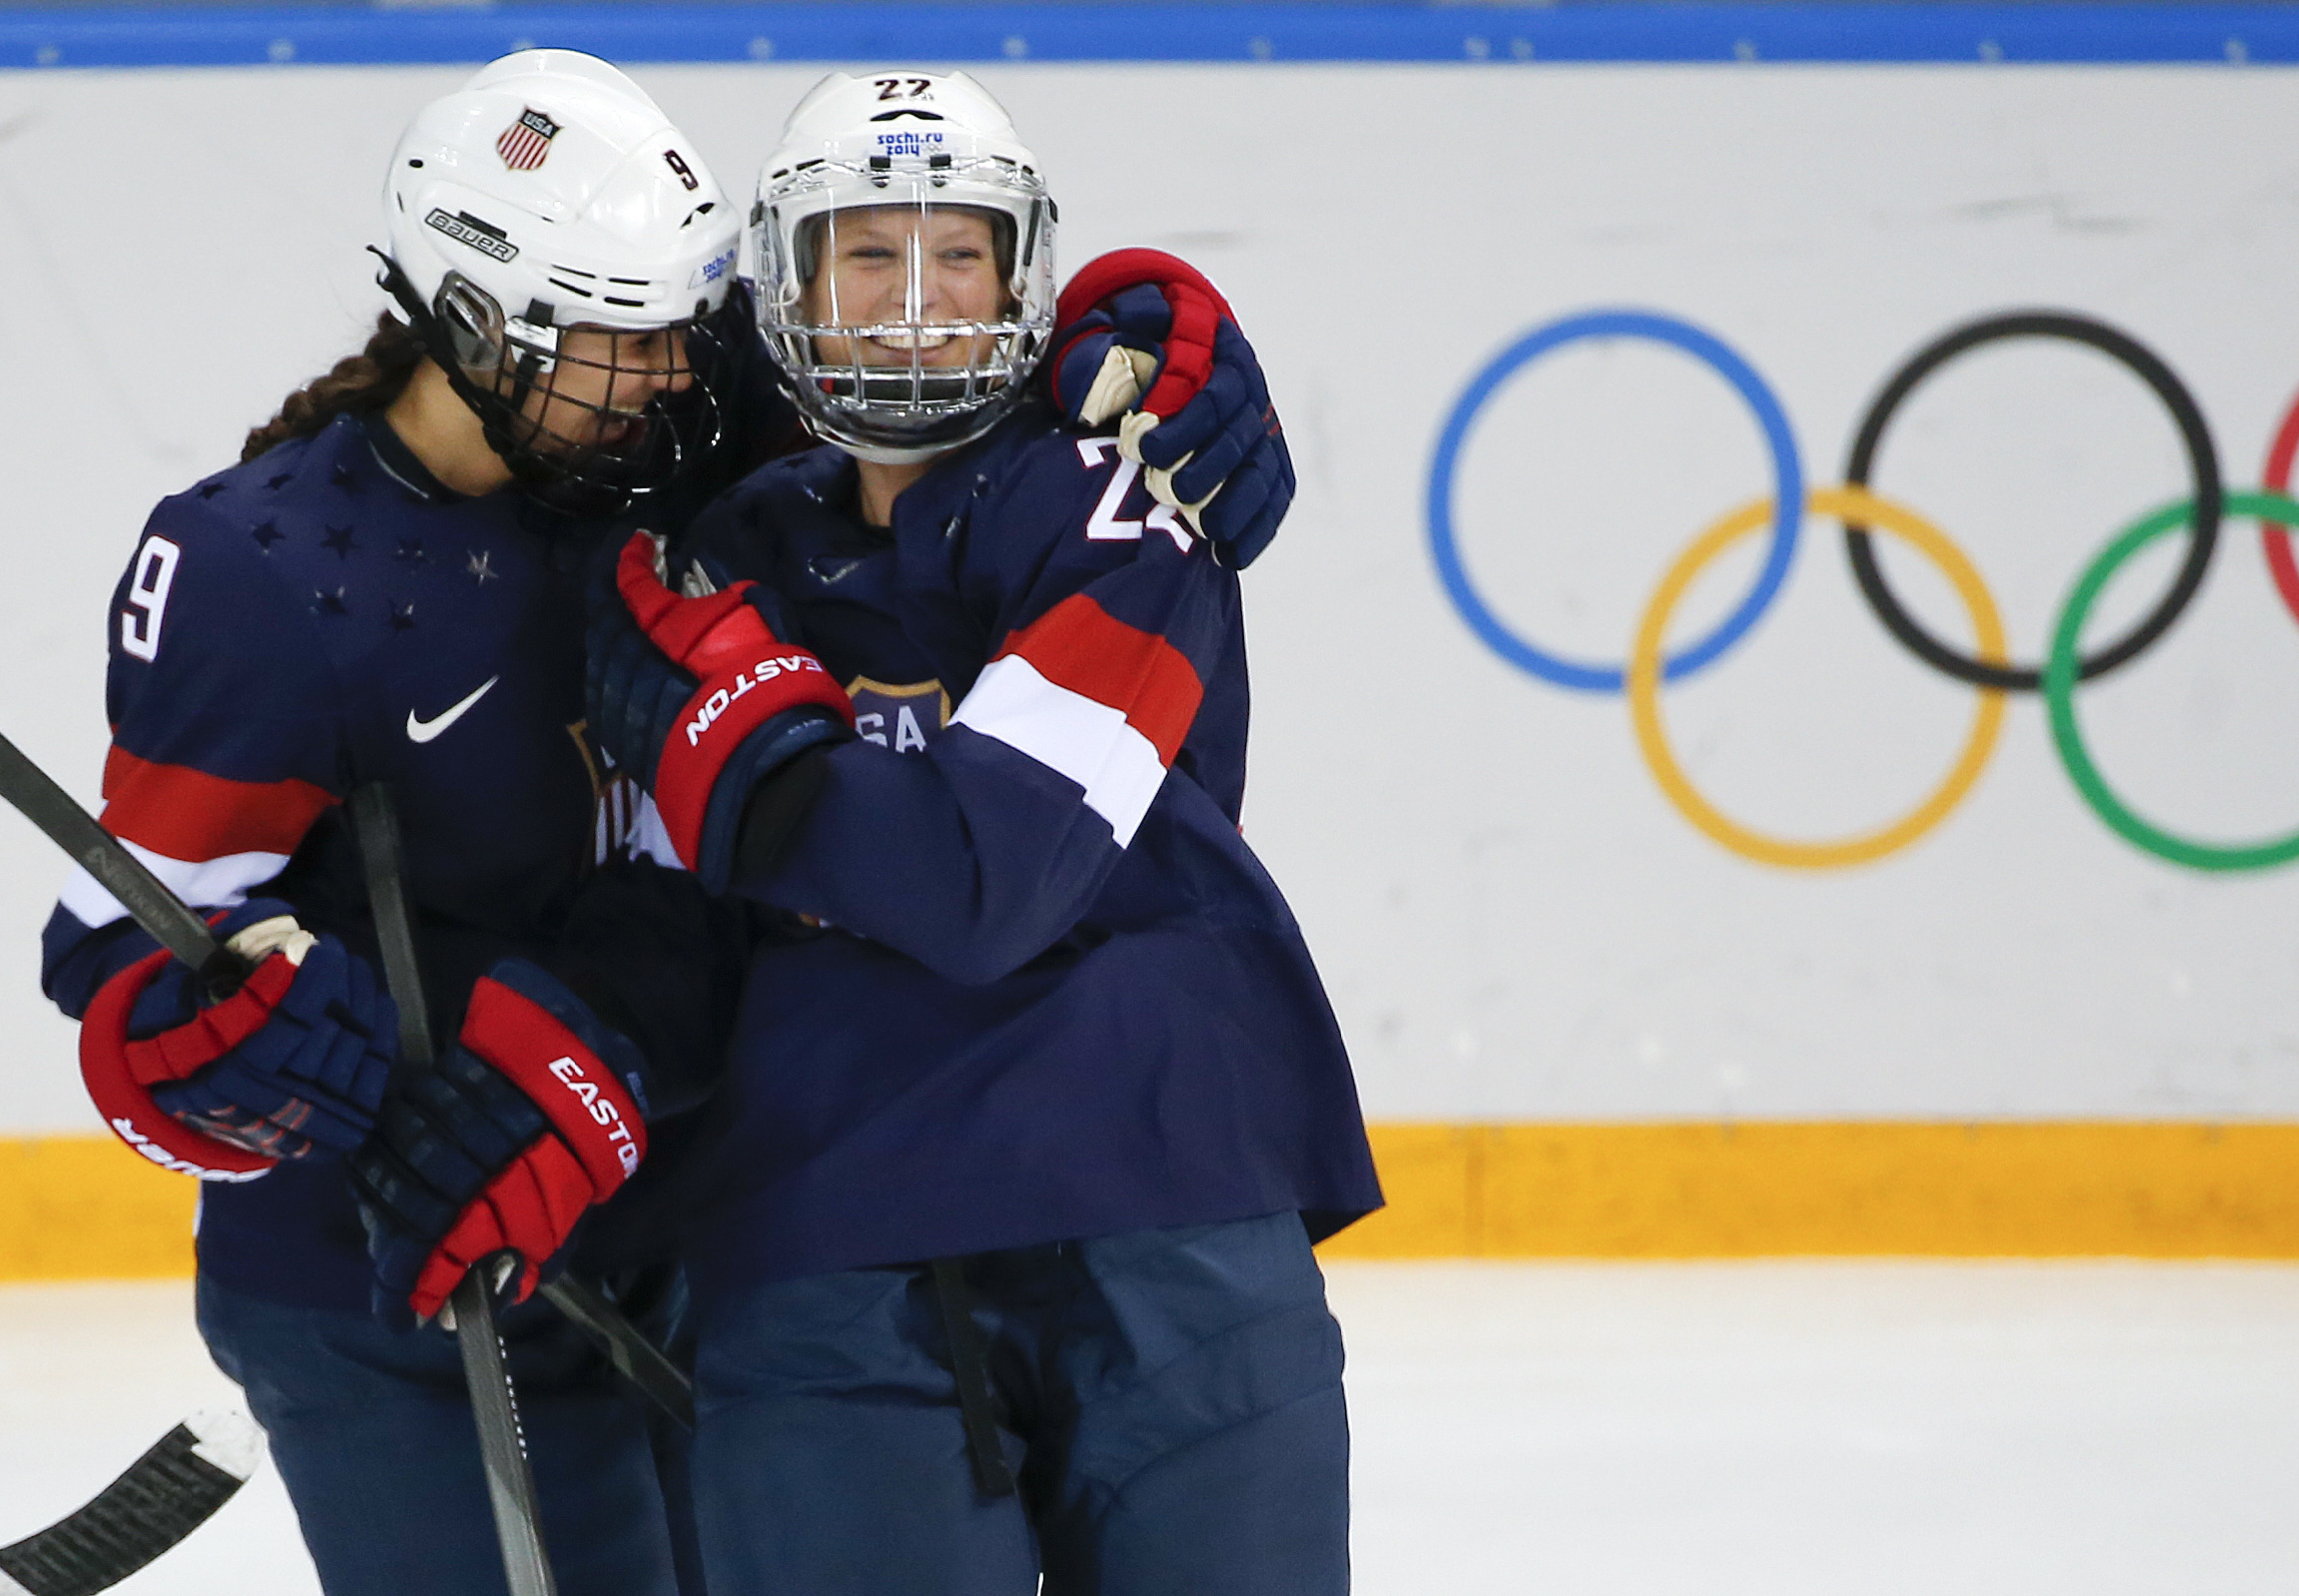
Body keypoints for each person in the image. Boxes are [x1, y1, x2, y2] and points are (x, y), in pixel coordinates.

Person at [40, 50, 1294, 1596]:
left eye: (682, 328)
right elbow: (127, 944)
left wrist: (1155, 337)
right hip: (402, 1272)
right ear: (477, 325)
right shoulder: (268, 571)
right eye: (619, 338)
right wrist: (240, 1059)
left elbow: (938, 337)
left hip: (677, 1219)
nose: (667, 373)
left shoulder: (688, 435)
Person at [573, 70, 1381, 1595]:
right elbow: (665, 927)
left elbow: (984, 879)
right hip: (826, 1245)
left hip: (1166, 1214)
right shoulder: (716, 548)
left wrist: (756, 757)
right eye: (868, 255)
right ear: (787, 283)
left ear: (1023, 283)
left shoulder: (1121, 498)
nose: (913, 302)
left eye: (959, 255)